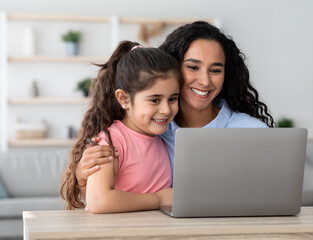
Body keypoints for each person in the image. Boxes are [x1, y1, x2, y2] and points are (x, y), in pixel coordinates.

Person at [73, 21, 275, 207]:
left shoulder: (253, 132)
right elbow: (99, 201)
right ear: (174, 69)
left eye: (215, 70)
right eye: (193, 67)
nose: (204, 81)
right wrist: (83, 177)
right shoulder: (154, 129)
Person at [60, 40, 182, 213]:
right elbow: (98, 200)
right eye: (155, 100)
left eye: (173, 99)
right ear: (124, 99)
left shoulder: (160, 138)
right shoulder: (113, 141)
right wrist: (158, 199)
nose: (166, 109)